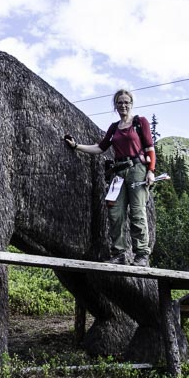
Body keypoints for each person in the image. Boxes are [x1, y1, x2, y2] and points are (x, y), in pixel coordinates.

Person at [64, 89, 157, 266]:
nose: (123, 105)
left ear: (131, 104)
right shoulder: (114, 128)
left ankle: (141, 255)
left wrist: (151, 171)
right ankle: (119, 253)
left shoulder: (140, 122)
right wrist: (76, 146)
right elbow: (100, 148)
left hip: (137, 169)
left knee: (137, 212)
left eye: (126, 102)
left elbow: (150, 148)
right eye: (120, 102)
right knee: (115, 213)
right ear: (115, 105)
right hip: (118, 173)